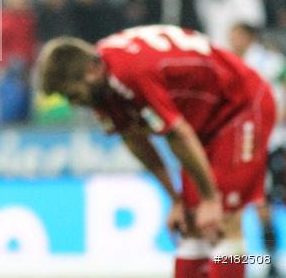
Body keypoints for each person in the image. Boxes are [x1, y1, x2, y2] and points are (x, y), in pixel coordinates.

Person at [38, 25, 275, 278]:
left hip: (242, 106)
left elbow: (178, 133)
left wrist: (210, 198)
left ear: (92, 71)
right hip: (204, 124)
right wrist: (176, 200)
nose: (74, 105)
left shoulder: (131, 72)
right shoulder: (101, 86)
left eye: (73, 95)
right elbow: (134, 140)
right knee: (191, 223)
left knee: (223, 221)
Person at [230, 23, 286, 278]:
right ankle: (267, 259)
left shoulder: (272, 62)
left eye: (236, 34)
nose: (231, 39)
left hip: (274, 142)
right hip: (249, 145)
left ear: (248, 36)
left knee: (271, 201)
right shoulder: (232, 63)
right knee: (260, 203)